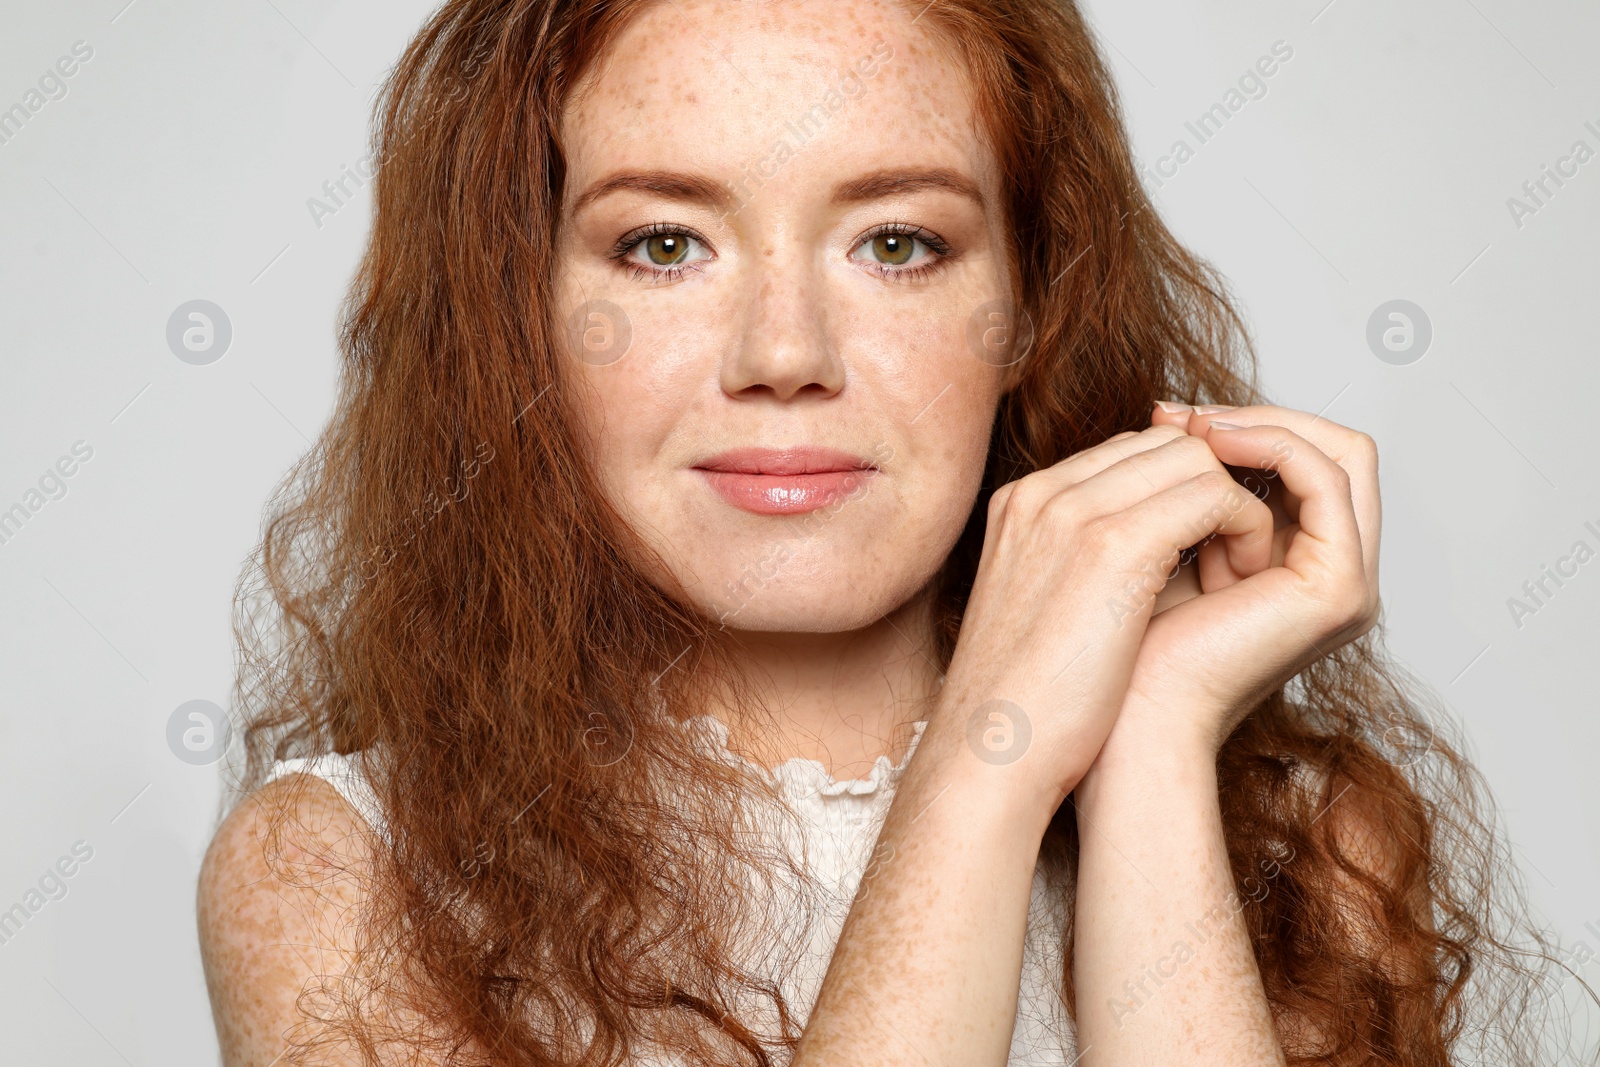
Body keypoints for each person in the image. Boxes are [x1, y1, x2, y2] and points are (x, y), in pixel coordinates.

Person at [196, 0, 1592, 1064]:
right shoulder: (337, 878)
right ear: (529, 320)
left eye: (898, 244)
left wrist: (1152, 746)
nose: (785, 354)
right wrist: (992, 752)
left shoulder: (1314, 853)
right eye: (664, 244)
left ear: (1030, 308)